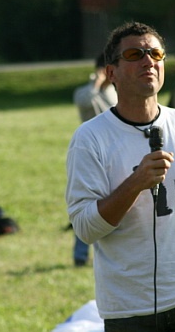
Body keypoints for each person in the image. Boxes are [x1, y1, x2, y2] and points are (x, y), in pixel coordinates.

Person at [65, 21, 175, 331]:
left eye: (156, 54)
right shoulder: (90, 138)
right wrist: (135, 183)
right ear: (111, 72)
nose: (148, 61)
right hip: (130, 313)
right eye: (135, 54)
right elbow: (85, 228)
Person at [71, 53, 117, 266]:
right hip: (91, 156)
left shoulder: (115, 93)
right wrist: (96, 83)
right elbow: (85, 101)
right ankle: (80, 255)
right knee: (86, 207)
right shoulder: (85, 91)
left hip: (114, 155)